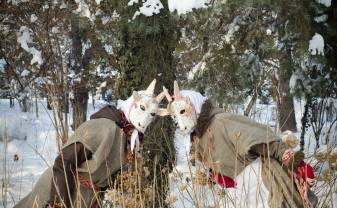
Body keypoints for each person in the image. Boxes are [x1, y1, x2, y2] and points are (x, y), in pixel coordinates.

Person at [161, 81, 317, 208]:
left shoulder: (221, 121)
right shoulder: (199, 140)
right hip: (246, 192)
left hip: (267, 181)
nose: (180, 121)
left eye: (182, 112)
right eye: (175, 116)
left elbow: (262, 139)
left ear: (194, 105)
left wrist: (295, 162)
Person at [14, 79, 167, 208]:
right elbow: (63, 161)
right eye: (143, 109)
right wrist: (59, 204)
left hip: (87, 198)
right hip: (59, 192)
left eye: (152, 115)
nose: (146, 118)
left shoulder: (130, 141)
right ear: (133, 104)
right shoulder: (104, 126)